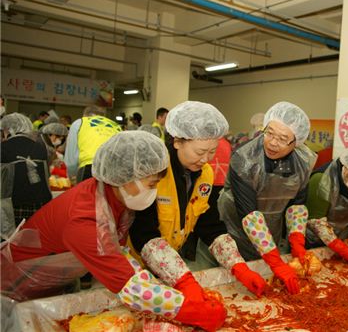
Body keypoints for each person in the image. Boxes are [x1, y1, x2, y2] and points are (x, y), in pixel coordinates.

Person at [0, 131, 226, 332]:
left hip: (53, 279)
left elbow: (119, 254)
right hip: (15, 287)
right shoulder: (85, 217)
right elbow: (130, 288)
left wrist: (160, 287)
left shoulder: (115, 200)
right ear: (126, 178)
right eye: (151, 184)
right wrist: (189, 310)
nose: (154, 192)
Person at [129, 101, 267, 298]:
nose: (206, 159)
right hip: (135, 265)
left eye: (212, 152)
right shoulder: (153, 172)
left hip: (170, 263)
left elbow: (208, 223)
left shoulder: (204, 174)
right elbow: (142, 231)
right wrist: (183, 279)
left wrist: (238, 266)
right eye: (200, 152)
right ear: (177, 141)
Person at [218, 101, 317, 295]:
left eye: (282, 138)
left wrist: (297, 240)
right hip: (236, 229)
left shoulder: (304, 161)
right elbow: (249, 213)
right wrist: (276, 263)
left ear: (296, 142)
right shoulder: (245, 158)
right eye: (269, 133)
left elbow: (297, 202)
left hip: (270, 230)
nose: (272, 142)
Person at [1, 113, 51, 233]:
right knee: (31, 238)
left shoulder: (4, 147)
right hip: (39, 201)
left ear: (8, 129)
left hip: (12, 203)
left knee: (11, 240)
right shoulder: (40, 147)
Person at [65, 105, 121, 183]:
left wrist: (71, 174)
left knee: (87, 195)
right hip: (114, 169)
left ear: (85, 115)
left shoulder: (80, 122)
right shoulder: (115, 125)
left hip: (89, 166)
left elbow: (72, 156)